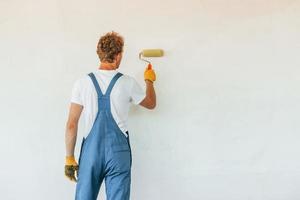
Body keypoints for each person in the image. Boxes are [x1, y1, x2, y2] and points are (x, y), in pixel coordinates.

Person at [64, 31, 156, 200]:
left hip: (91, 155)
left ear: (100, 54)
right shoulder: (128, 82)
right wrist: (149, 80)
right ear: (118, 55)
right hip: (118, 153)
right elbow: (150, 103)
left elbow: (71, 124)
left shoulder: (82, 83)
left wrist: (70, 158)